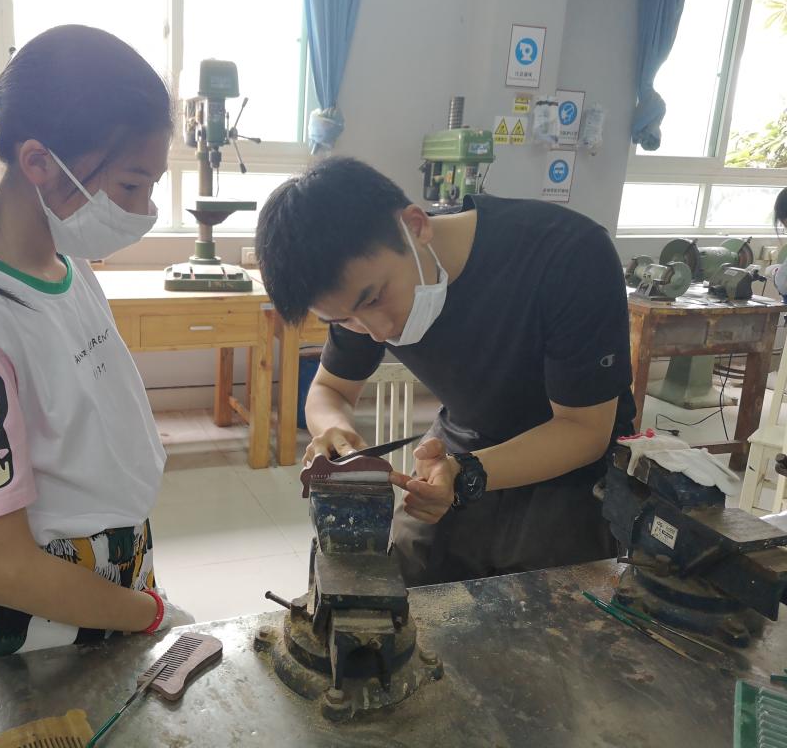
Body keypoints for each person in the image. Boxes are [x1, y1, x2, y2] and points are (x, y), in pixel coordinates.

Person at [0, 25, 190, 660]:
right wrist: (151, 614)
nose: (144, 210)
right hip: (39, 622)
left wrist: (138, 597)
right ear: (38, 163)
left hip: (114, 579)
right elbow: (4, 568)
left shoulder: (67, 269)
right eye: (130, 186)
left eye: (152, 186)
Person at [255, 156, 636, 587]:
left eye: (374, 300)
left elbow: (584, 431)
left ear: (416, 226)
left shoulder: (569, 254)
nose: (377, 331)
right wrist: (334, 431)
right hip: (462, 442)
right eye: (344, 320)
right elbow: (331, 390)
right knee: (393, 587)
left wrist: (466, 472)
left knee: (542, 606)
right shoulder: (357, 292)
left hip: (570, 468)